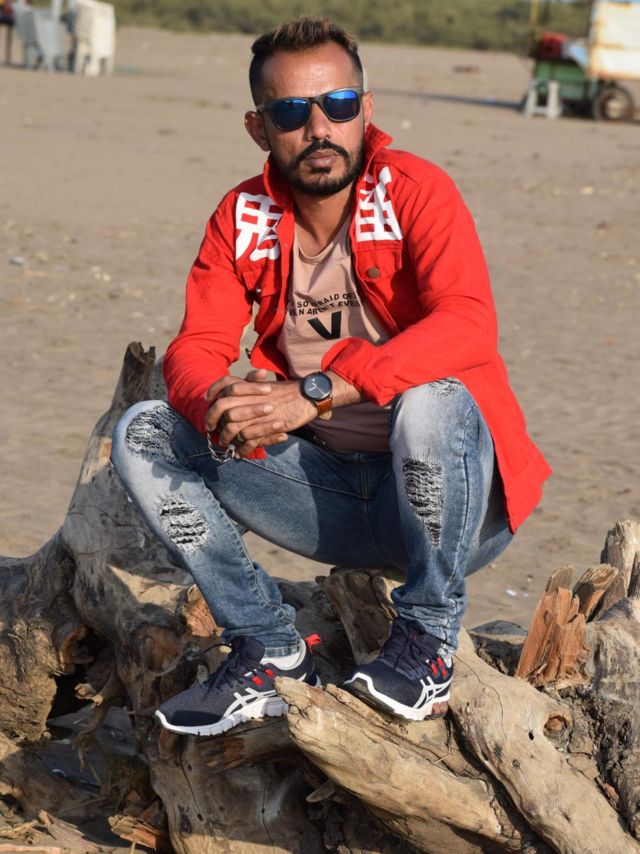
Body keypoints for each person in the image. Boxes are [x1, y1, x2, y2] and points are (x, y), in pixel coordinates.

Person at [111, 16, 551, 736]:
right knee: (146, 430)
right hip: (328, 498)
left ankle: (429, 637)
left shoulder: (416, 191)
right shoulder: (243, 216)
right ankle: (266, 645)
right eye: (291, 112)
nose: (319, 128)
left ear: (365, 110)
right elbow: (197, 344)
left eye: (338, 105)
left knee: (434, 399)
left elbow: (469, 322)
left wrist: (313, 393)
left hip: (457, 505)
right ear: (259, 129)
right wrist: (220, 400)